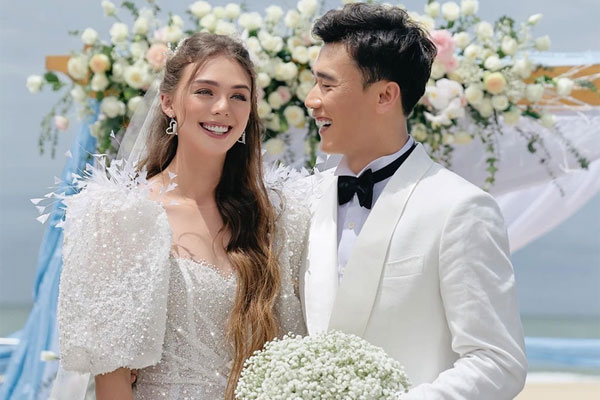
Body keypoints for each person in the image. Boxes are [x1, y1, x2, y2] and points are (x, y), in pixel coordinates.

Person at [57, 33, 307, 400]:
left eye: (239, 96)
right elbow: (112, 380)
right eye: (205, 91)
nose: (222, 107)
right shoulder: (124, 216)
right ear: (168, 102)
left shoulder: (276, 218)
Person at [300, 3, 527, 399]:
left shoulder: (461, 208)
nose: (310, 99)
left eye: (327, 85)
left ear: (385, 95)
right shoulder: (303, 199)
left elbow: (497, 362)